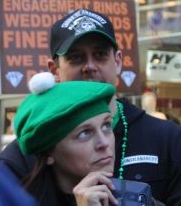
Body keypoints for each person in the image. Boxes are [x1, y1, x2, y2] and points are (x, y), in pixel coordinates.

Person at [0, 8, 181, 205]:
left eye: (100, 54)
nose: (90, 66)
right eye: (76, 58)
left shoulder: (174, 143)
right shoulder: (28, 153)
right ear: (54, 70)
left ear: (118, 62)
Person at [13, 73, 121, 205]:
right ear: (48, 154)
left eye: (106, 125)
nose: (104, 143)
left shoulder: (135, 196)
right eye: (84, 133)